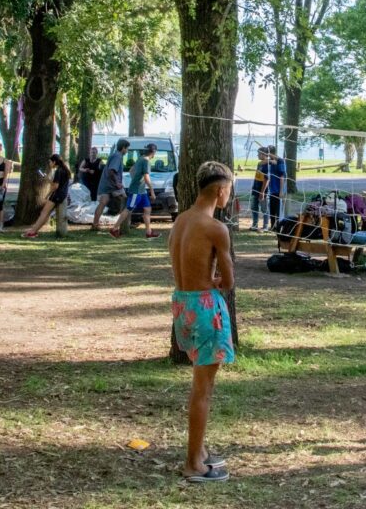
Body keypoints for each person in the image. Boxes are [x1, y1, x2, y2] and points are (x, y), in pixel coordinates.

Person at [169, 161, 236, 483]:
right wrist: (216, 279)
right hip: (205, 307)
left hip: (182, 305)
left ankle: (201, 450)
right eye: (230, 191)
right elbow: (229, 281)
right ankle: (194, 464)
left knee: (201, 386)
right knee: (203, 389)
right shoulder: (215, 228)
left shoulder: (181, 221)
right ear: (221, 190)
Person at [111, 143, 159, 240]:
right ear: (154, 152)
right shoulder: (146, 161)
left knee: (147, 209)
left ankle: (149, 232)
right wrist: (152, 191)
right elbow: (146, 177)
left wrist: (136, 179)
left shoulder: (141, 158)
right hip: (136, 190)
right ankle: (114, 229)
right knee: (128, 209)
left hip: (141, 190)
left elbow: (131, 170)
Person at [22, 154, 71, 238]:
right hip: (61, 194)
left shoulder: (58, 171)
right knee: (46, 214)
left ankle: (33, 231)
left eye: (50, 162)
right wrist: (48, 180)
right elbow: (57, 183)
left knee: (44, 213)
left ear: (54, 162)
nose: (49, 164)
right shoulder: (64, 170)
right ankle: (34, 230)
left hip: (57, 195)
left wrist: (48, 194)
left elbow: (55, 186)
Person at [95, 138, 129, 232]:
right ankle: (123, 226)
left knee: (102, 203)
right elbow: (112, 171)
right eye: (127, 149)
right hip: (113, 185)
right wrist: (117, 182)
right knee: (127, 203)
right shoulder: (118, 156)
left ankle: (95, 224)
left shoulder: (113, 155)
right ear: (123, 148)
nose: (127, 151)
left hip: (106, 184)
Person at [264, 146, 286, 230]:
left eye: (267, 153)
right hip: (271, 190)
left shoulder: (280, 161)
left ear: (270, 153)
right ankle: (273, 226)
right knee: (272, 210)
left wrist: (281, 191)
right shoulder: (270, 162)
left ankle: (279, 227)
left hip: (278, 190)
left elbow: (282, 177)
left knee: (278, 210)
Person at [248, 147, 268, 232]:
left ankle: (265, 226)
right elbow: (258, 176)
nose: (257, 155)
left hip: (263, 191)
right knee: (253, 207)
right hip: (255, 189)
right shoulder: (259, 164)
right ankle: (255, 225)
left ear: (264, 154)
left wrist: (262, 192)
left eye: (259, 153)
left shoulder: (268, 164)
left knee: (264, 209)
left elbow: (267, 179)